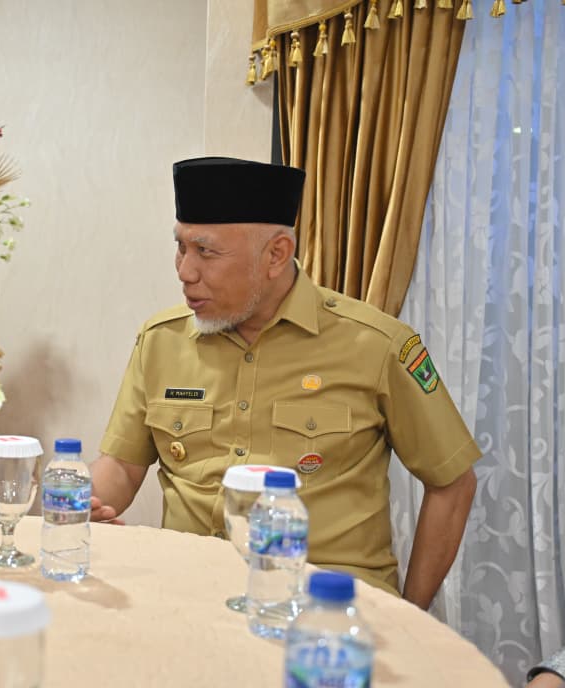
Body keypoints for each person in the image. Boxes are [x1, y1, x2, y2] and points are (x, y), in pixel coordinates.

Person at [91, 157, 480, 609]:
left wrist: (411, 612)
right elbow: (121, 466)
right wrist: (86, 505)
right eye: (180, 247)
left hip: (327, 604)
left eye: (206, 251)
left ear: (276, 254)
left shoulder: (378, 345)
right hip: (188, 595)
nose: (184, 271)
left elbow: (453, 483)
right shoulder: (161, 341)